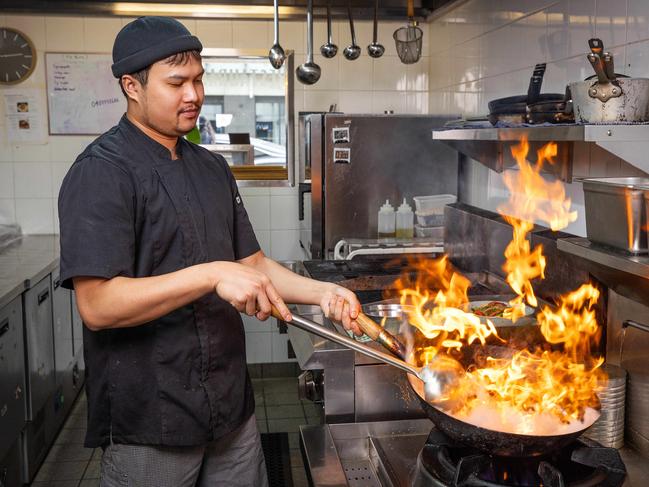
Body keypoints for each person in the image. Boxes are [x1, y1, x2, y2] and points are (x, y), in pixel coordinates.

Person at [58, 16, 361, 487]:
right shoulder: (101, 173)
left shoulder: (212, 168)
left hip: (229, 411)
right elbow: (97, 306)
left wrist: (323, 293)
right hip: (151, 423)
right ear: (131, 86)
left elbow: (253, 266)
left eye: (198, 79)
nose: (194, 95)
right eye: (176, 83)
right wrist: (209, 274)